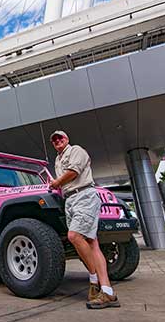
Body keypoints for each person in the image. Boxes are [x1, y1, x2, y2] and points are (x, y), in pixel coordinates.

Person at [48, 130, 120, 309]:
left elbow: (73, 172)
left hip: (84, 196)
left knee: (74, 236)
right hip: (70, 200)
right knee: (92, 243)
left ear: (67, 139)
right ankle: (107, 291)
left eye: (60, 137)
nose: (57, 140)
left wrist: (56, 183)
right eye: (54, 139)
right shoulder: (57, 160)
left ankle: (94, 280)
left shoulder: (76, 151)